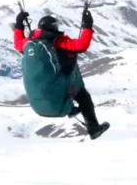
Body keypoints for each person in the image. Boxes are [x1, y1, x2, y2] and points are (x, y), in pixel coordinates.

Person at [13, 10, 110, 140]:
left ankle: (70, 109)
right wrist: (88, 26)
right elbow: (82, 45)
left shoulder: (29, 44)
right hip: (60, 88)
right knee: (83, 96)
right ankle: (94, 129)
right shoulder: (60, 42)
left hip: (40, 99)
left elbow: (17, 43)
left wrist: (19, 25)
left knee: (63, 86)